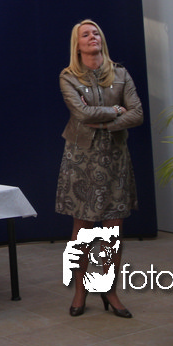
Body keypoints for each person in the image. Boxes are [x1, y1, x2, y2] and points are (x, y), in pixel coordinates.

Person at [56, 19, 143, 319]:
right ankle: (80, 290)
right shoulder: (68, 76)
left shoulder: (120, 73)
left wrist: (106, 122)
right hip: (81, 157)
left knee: (113, 230)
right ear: (77, 44)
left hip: (115, 156)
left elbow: (137, 113)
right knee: (82, 229)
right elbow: (81, 113)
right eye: (86, 34)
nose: (92, 37)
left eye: (96, 33)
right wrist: (116, 110)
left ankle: (108, 289)